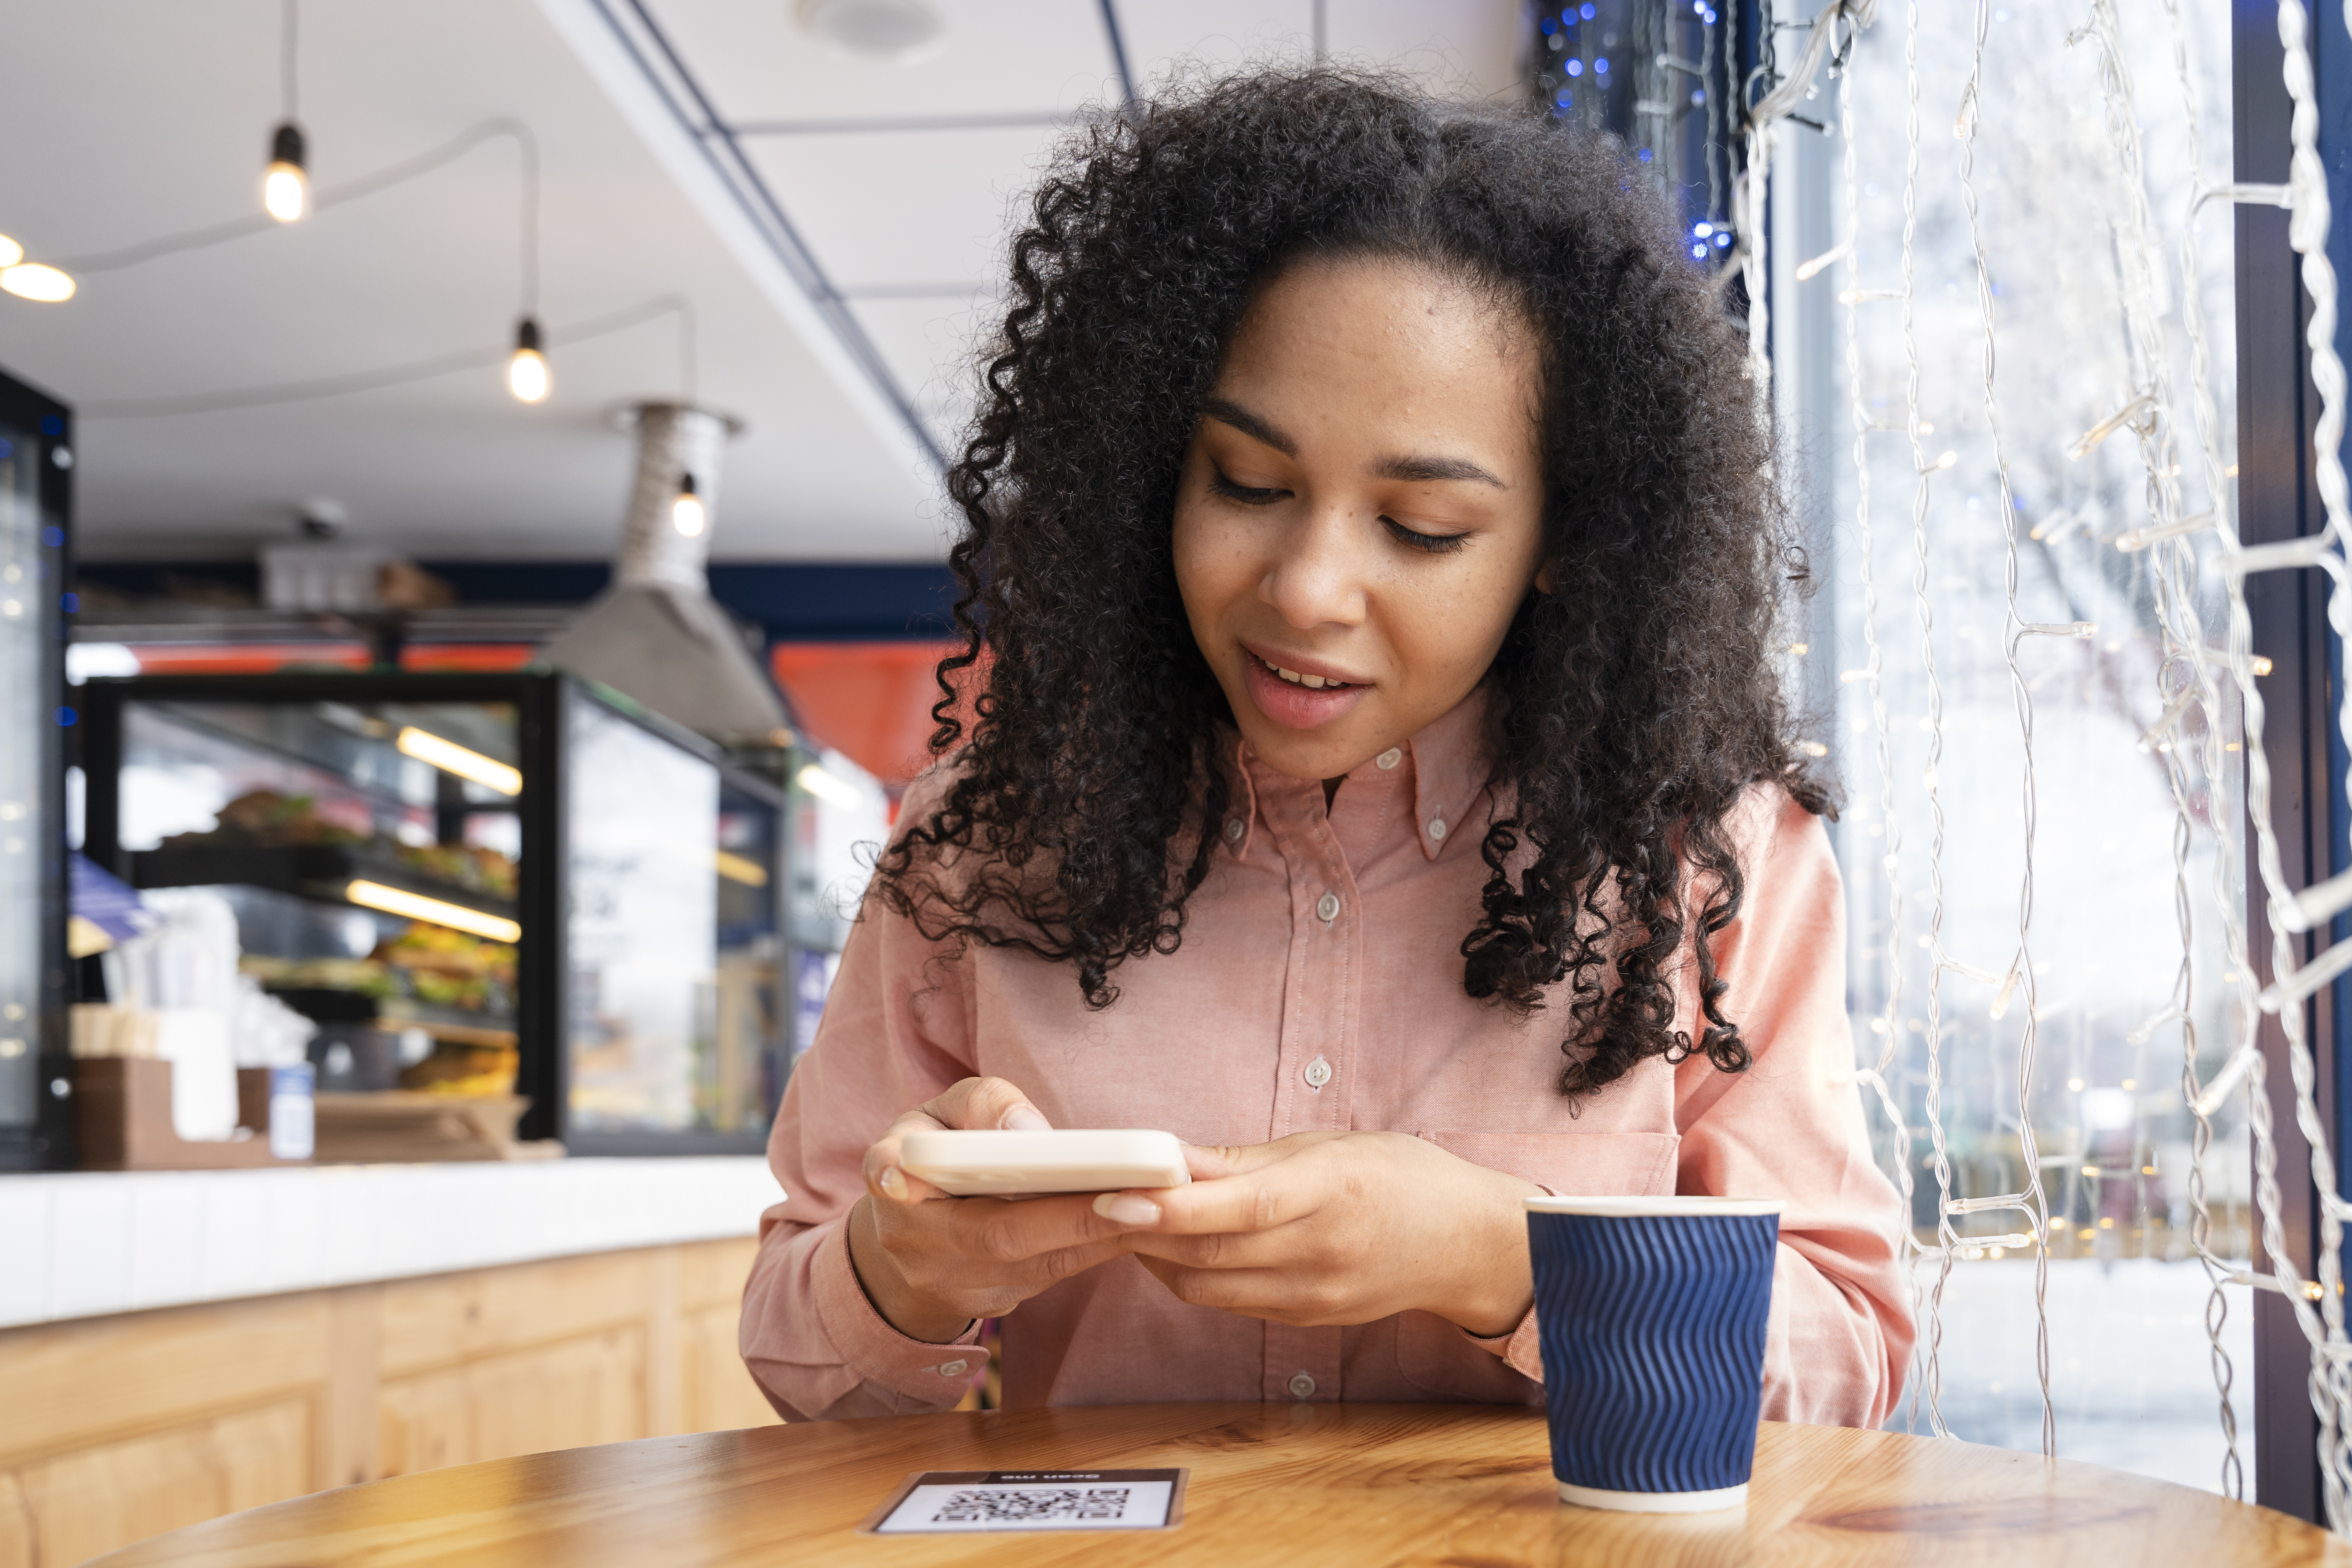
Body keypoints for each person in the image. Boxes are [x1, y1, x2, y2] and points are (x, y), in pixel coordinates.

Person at [740, 69, 1913, 1425]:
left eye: (1421, 528)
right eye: (1247, 484)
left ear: (1558, 550)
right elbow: (796, 1363)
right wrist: (905, 1270)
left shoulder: (1713, 860)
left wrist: (1498, 1258)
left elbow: (1849, 1364)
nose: (1305, 589)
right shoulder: (981, 843)